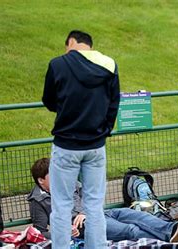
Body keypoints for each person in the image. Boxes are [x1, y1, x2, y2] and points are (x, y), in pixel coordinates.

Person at [42, 30, 120, 248]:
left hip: (66, 145)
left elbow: (48, 100)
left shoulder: (58, 64)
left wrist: (66, 109)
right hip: (96, 145)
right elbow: (114, 103)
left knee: (61, 205)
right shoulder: (109, 64)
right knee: (94, 206)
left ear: (72, 42)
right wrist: (105, 130)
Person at [28, 158, 178, 243]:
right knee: (130, 230)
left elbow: (90, 195)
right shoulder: (38, 200)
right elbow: (39, 232)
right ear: (41, 181)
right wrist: (65, 232)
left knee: (135, 215)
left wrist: (85, 211)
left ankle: (173, 229)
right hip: (84, 227)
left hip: (96, 213)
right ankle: (175, 238)